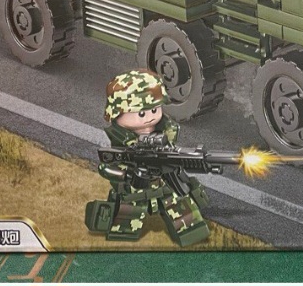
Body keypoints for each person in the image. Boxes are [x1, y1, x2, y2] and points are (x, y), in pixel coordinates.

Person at [85, 69, 210, 246]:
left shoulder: (165, 134)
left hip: (166, 190)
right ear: (116, 112)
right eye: (141, 113)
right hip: (133, 194)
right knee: (124, 234)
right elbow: (104, 168)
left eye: (154, 110)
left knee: (192, 227)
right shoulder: (123, 144)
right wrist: (127, 175)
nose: (149, 117)